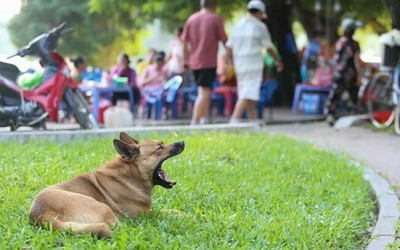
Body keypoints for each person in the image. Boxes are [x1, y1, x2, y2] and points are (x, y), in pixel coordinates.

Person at [225, 0, 283, 123]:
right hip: (253, 65)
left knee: (248, 93)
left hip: (239, 65)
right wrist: (278, 61)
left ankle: (253, 121)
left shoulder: (237, 25)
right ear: (259, 13)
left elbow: (228, 48)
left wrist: (229, 63)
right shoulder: (260, 26)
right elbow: (269, 47)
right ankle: (234, 120)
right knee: (247, 93)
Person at [181, 0, 228, 125]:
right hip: (208, 62)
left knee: (204, 91)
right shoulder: (215, 19)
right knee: (204, 92)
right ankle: (194, 122)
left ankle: (204, 120)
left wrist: (185, 61)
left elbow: (184, 43)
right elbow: (225, 40)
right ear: (215, 5)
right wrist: (229, 58)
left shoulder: (191, 19)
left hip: (194, 63)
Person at [325, 18, 363, 126]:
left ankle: (330, 115)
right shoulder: (355, 44)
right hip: (350, 74)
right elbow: (356, 61)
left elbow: (336, 59)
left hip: (339, 72)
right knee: (353, 95)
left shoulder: (339, 42)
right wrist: (359, 77)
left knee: (335, 95)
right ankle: (352, 113)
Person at [138, 52, 168, 117]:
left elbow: (166, 82)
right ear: (154, 62)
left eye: (161, 64)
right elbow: (141, 83)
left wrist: (164, 82)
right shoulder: (147, 69)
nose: (159, 66)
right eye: (158, 63)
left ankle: (162, 114)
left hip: (161, 91)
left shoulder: (164, 70)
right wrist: (150, 79)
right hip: (149, 91)